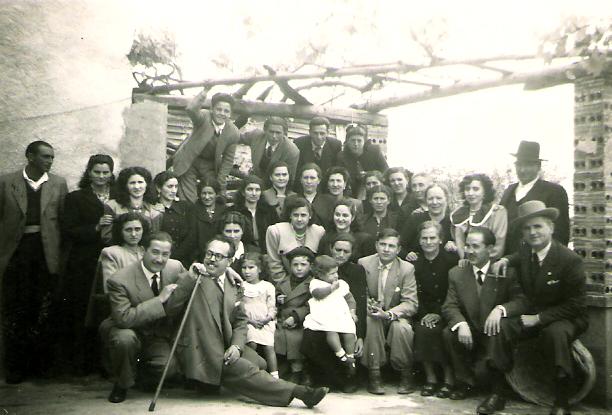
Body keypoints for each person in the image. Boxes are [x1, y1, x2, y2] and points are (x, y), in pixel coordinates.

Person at [170, 236, 329, 408]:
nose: (212, 259)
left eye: (219, 256)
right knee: (243, 368)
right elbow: (171, 306)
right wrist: (190, 278)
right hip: (200, 347)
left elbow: (240, 321)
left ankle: (211, 383)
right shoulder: (194, 278)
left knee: (260, 363)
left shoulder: (232, 283)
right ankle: (300, 392)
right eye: (209, 254)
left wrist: (237, 346)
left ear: (229, 262)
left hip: (224, 344)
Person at [487, 201, 588, 415]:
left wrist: (540, 318)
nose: (532, 232)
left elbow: (576, 305)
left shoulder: (570, 260)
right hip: (531, 314)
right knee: (500, 327)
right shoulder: (526, 251)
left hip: (566, 317)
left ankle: (561, 401)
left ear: (551, 227)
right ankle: (497, 393)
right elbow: (517, 257)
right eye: (527, 228)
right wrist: (505, 259)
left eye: (538, 226)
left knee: (555, 333)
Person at [0, 140, 68, 384]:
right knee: (15, 308)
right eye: (45, 156)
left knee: (42, 308)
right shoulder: (7, 182)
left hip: (45, 253)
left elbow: (62, 221)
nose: (50, 161)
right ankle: (14, 367)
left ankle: (40, 367)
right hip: (16, 253)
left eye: (52, 157)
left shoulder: (58, 183)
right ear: (30, 156)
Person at [441, 226, 525, 410]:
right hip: (472, 331)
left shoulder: (506, 271)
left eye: (476, 246)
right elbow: (449, 305)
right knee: (449, 332)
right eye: (467, 246)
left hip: (495, 332)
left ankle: (497, 393)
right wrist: (461, 323)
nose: (470, 251)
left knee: (499, 329)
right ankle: (465, 383)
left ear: (490, 249)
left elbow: (521, 301)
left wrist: (501, 309)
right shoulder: (456, 273)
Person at [99, 231, 185, 403]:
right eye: (155, 252)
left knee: (168, 369)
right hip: (126, 329)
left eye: (165, 254)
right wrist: (159, 300)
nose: (159, 259)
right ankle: (122, 383)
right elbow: (123, 318)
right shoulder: (119, 279)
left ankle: (138, 375)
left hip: (155, 334)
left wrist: (227, 271)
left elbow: (194, 279)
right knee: (125, 340)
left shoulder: (175, 267)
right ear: (143, 251)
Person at [61, 153, 115, 374]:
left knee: (109, 307)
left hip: (112, 259)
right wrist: (96, 226)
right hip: (84, 261)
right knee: (83, 308)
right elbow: (68, 230)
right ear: (89, 173)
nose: (101, 176)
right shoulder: (76, 197)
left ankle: (106, 363)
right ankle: (82, 363)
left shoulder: (118, 196)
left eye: (106, 172)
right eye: (97, 172)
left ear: (111, 174)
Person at [301, 233, 367, 392]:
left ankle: (346, 379)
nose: (341, 254)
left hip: (343, 316)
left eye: (346, 251)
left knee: (346, 335)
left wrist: (360, 335)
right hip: (322, 316)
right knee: (313, 335)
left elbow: (358, 301)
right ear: (331, 249)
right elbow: (313, 296)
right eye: (338, 250)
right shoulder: (319, 270)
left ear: (352, 253)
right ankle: (319, 378)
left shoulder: (356, 271)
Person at [358, 228, 418, 395]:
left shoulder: (406, 268)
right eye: (382, 244)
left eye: (391, 246)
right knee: (371, 322)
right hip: (373, 313)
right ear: (376, 245)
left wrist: (389, 314)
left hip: (396, 314)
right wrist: (369, 306)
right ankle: (374, 374)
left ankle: (406, 374)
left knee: (402, 328)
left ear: (398, 249)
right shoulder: (364, 263)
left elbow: (411, 303)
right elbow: (360, 293)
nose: (386, 249)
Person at [412, 221, 458, 398]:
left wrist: (439, 313)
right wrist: (424, 314)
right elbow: (415, 293)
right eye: (424, 238)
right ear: (419, 240)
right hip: (423, 311)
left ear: (440, 239)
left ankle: (449, 379)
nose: (428, 242)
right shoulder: (415, 263)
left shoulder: (451, 261)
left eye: (432, 238)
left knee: (443, 332)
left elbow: (453, 292)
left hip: (447, 309)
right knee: (423, 329)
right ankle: (430, 378)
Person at [500, 140, 570, 254]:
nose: (522, 170)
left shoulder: (554, 191)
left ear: (538, 166)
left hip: (536, 259)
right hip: (507, 259)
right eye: (519, 165)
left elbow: (561, 233)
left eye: (528, 165)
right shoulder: (509, 191)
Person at [171, 88, 240, 203]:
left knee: (210, 193)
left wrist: (220, 181)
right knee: (188, 198)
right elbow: (191, 109)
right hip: (189, 161)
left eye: (226, 111)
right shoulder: (204, 117)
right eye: (218, 109)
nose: (222, 113)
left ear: (230, 114)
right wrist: (205, 90)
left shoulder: (233, 132)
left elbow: (228, 160)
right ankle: (188, 209)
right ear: (212, 109)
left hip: (209, 166)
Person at [85, 212, 149, 330]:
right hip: (123, 310)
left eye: (137, 229)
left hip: (148, 309)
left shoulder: (147, 252)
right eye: (128, 230)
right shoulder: (111, 253)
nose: (134, 234)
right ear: (120, 231)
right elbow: (110, 288)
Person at [303, 255, 358, 378]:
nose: (336, 276)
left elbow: (350, 298)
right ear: (320, 274)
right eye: (332, 274)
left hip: (341, 314)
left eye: (336, 272)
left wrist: (352, 311)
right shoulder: (316, 283)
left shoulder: (341, 284)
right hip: (325, 314)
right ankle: (341, 355)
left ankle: (350, 357)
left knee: (350, 331)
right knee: (331, 331)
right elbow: (317, 294)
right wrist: (331, 288)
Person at [274, 246, 316, 385]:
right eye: (295, 265)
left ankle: (298, 371)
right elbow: (274, 298)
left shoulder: (313, 284)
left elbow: (311, 305)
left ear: (310, 266)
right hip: (282, 320)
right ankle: (285, 367)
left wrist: (296, 317)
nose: (299, 268)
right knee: (276, 337)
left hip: (301, 322)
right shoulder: (283, 282)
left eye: (303, 265)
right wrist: (278, 299)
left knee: (297, 339)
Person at [265, 196, 325, 282]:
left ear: (310, 216)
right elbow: (274, 263)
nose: (299, 219)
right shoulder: (275, 231)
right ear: (290, 215)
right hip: (283, 282)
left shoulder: (319, 232)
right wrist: (284, 285)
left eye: (303, 215)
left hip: (312, 282)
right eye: (295, 215)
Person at [451, 173, 507, 262]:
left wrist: (479, 261)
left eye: (476, 189)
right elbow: (459, 243)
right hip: (466, 263)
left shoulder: (497, 212)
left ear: (485, 192)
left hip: (490, 263)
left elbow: (498, 246)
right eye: (467, 189)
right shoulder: (459, 214)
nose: (470, 193)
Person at [239, 252, 278, 379]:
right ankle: (252, 374)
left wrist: (267, 318)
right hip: (248, 322)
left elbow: (272, 307)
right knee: (252, 343)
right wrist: (250, 321)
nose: (247, 271)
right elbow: (238, 308)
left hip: (265, 322)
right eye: (244, 267)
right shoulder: (241, 286)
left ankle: (275, 376)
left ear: (260, 269)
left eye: (251, 267)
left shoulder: (268, 286)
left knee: (269, 347)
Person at [101, 166, 163, 244]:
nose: (137, 187)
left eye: (140, 182)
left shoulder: (154, 212)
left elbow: (154, 239)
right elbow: (107, 237)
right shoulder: (112, 206)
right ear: (125, 185)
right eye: (132, 183)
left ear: (147, 184)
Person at [400, 183, 456, 260]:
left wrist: (455, 246)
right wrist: (407, 254)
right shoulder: (415, 219)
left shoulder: (453, 221)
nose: (434, 202)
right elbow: (401, 245)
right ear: (425, 200)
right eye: (430, 199)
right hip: (418, 264)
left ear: (446, 199)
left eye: (439, 198)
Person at [240, 116, 299, 185]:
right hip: (254, 180)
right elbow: (236, 138)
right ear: (265, 130)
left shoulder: (291, 151)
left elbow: (290, 178)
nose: (274, 136)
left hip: (275, 185)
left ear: (284, 133)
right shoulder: (256, 135)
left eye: (278, 133)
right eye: (271, 132)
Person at [154, 170, 194, 266]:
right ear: (159, 188)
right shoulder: (153, 208)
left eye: (176, 186)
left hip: (184, 258)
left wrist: (178, 255)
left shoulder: (185, 207)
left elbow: (192, 235)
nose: (174, 190)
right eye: (170, 186)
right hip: (160, 257)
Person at [336, 124, 388, 198]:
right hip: (353, 191)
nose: (356, 144)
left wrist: (370, 174)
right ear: (347, 142)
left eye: (359, 141)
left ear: (364, 141)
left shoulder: (374, 151)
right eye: (353, 140)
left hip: (375, 187)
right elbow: (341, 176)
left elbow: (386, 171)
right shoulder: (342, 156)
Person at [232, 175, 279, 252]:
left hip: (267, 251)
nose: (254, 193)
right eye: (250, 189)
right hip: (242, 251)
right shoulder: (234, 211)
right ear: (243, 192)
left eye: (257, 190)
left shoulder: (269, 211)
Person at [188, 177, 227, 264]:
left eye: (210, 193)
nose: (207, 197)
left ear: (216, 194)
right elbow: (191, 238)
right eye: (204, 193)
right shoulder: (193, 210)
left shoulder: (224, 210)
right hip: (199, 257)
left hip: (220, 255)